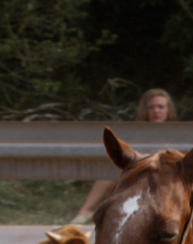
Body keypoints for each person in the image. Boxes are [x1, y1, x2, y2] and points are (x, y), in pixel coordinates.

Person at [72, 88, 177, 223]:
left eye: (160, 107)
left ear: (168, 109)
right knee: (109, 170)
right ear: (145, 110)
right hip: (139, 168)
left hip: (164, 172)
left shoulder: (177, 130)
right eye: (151, 107)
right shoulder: (137, 130)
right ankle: (84, 213)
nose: (156, 111)